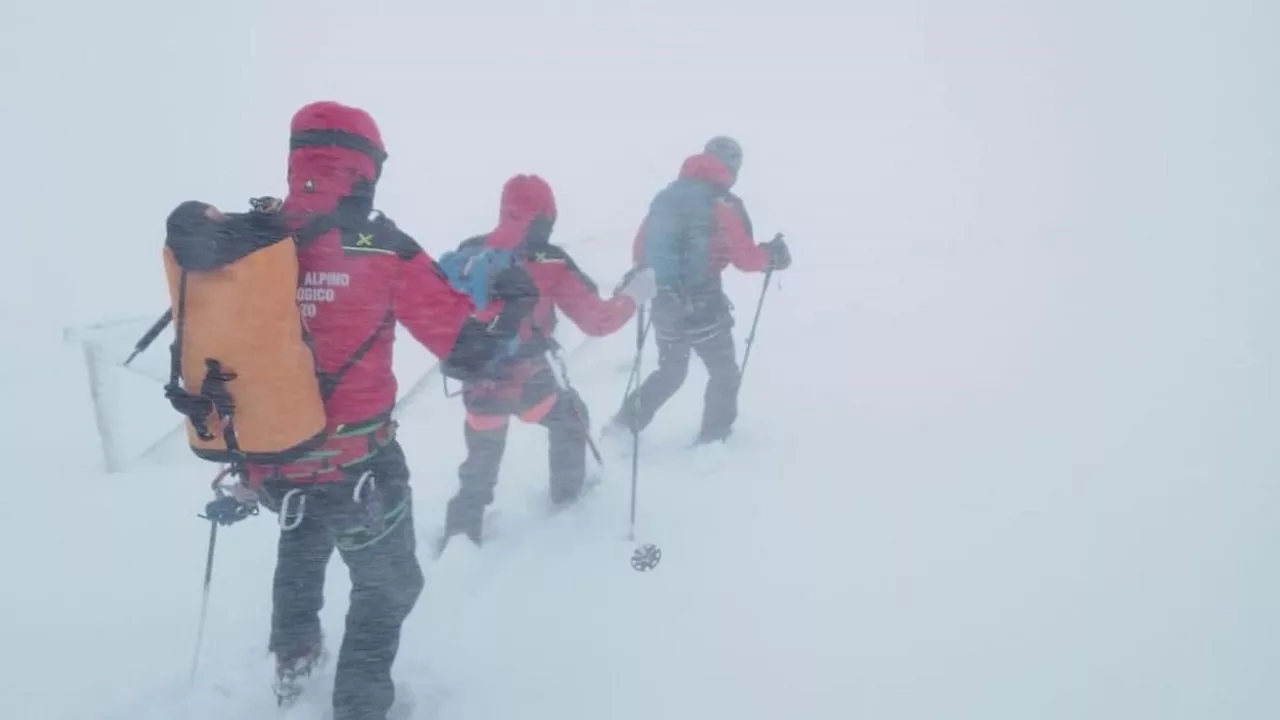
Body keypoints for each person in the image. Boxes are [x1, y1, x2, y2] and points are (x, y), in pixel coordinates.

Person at [218, 101, 535, 720]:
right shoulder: (382, 248)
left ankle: (293, 659)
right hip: (355, 463)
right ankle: (360, 706)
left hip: (273, 455)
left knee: (302, 538)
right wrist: (514, 309)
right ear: (366, 168)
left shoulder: (251, 239)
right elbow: (469, 354)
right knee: (389, 586)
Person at [438, 173, 656, 551]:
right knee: (572, 420)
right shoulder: (550, 260)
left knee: (480, 463)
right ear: (547, 215)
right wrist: (633, 297)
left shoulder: (470, 250)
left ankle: (460, 537)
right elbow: (597, 320)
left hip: (477, 380)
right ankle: (567, 503)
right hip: (528, 380)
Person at [610, 136, 791, 445]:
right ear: (732, 167)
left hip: (664, 302)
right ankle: (713, 439)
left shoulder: (667, 197)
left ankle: (623, 426)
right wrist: (772, 256)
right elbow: (745, 259)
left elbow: (640, 250)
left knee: (671, 371)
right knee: (724, 373)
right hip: (704, 305)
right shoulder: (721, 202)